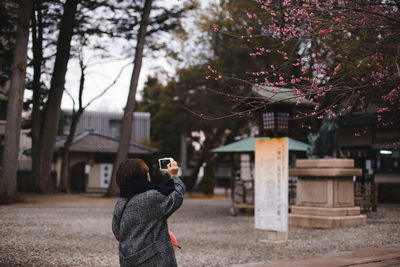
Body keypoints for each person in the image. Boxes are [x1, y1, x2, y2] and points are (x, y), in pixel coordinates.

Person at [112, 158, 185, 267]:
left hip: (128, 259)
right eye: (147, 172)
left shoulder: (120, 202)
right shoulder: (151, 197)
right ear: (145, 176)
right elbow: (177, 196)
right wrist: (174, 176)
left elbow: (117, 232)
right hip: (155, 259)